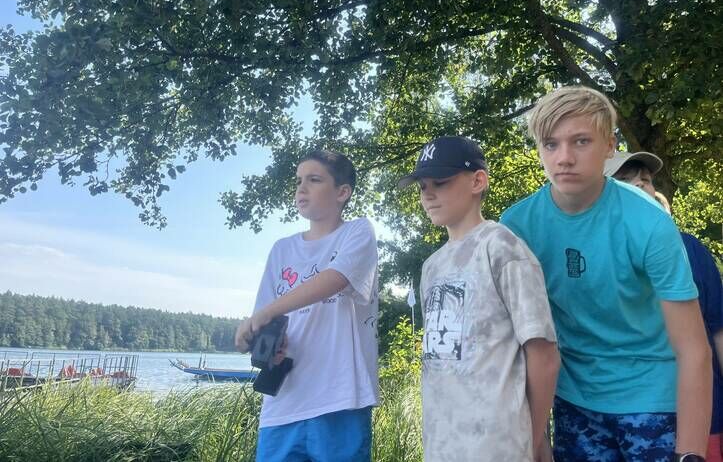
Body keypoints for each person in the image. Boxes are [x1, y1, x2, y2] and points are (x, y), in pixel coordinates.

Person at [500, 86, 712, 462]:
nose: (564, 158)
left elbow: (694, 349)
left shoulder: (649, 221)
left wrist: (691, 454)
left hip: (652, 398)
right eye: (551, 144)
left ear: (610, 146)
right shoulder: (516, 227)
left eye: (580, 141)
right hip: (573, 402)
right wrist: (534, 439)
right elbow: (512, 344)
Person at [398, 136, 560, 462]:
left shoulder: (501, 247)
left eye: (440, 182)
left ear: (477, 181)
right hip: (442, 445)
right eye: (422, 186)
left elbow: (543, 353)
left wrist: (532, 438)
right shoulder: (431, 267)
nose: (427, 194)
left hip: (499, 446)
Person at [235, 150, 379, 462]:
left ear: (342, 192)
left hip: (341, 398)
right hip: (282, 405)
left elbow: (336, 277)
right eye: (299, 180)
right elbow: (264, 317)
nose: (302, 188)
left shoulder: (357, 232)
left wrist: (268, 312)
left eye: (314, 180)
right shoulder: (281, 249)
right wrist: (258, 340)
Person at [605, 150, 723, 462]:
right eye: (624, 180)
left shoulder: (690, 248)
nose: (640, 185)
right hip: (617, 421)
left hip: (702, 419)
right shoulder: (587, 258)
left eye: (645, 180)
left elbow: (718, 329)